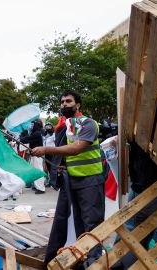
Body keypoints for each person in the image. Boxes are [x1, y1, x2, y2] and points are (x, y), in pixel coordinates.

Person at [31, 90, 105, 266]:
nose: (64, 104)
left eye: (69, 101)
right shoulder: (67, 126)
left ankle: (94, 262)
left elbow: (76, 149)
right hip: (74, 180)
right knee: (80, 225)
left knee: (92, 223)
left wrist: (46, 149)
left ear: (78, 104)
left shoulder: (88, 123)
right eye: (62, 101)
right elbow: (68, 154)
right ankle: (84, 258)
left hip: (90, 180)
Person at [20, 120, 46, 194]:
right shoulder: (35, 133)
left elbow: (26, 139)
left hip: (38, 155)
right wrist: (24, 131)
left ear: (36, 125)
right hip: (35, 155)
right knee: (34, 170)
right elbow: (28, 138)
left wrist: (23, 134)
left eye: (32, 125)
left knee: (38, 170)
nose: (31, 126)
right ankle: (36, 185)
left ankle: (41, 188)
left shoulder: (37, 134)